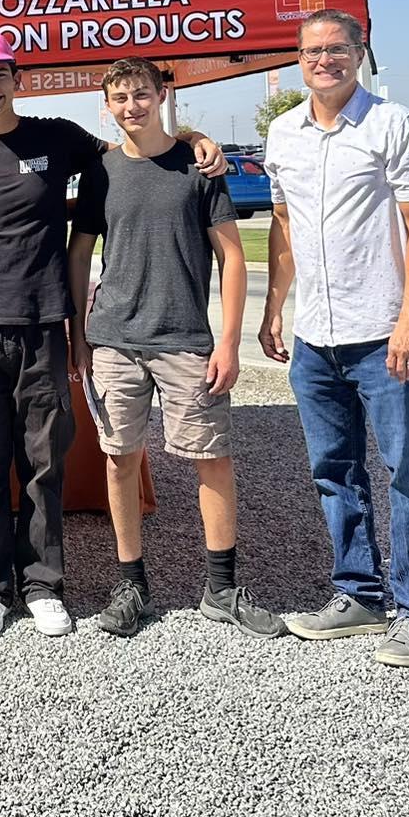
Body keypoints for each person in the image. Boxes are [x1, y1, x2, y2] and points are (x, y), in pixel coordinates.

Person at [0, 30, 228, 641]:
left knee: (42, 463)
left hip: (41, 325)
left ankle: (42, 586)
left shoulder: (58, 137)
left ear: (17, 80)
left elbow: (136, 146)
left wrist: (195, 137)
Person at [68, 58, 283, 639]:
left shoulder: (198, 165)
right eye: (120, 98)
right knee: (120, 459)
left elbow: (232, 256)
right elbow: (79, 255)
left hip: (186, 339)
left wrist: (229, 341)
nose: (131, 106)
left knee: (211, 458)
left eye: (141, 94)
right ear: (107, 107)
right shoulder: (100, 172)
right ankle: (131, 584)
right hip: (114, 339)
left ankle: (222, 587)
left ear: (161, 95)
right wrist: (79, 335)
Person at [259, 10, 409, 667]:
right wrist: (274, 309)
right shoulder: (283, 133)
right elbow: (283, 226)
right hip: (315, 338)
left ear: (359, 54)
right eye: (312, 51)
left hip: (381, 334)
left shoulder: (393, 124)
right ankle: (359, 594)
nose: (324, 60)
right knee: (333, 472)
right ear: (298, 60)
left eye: (337, 48)